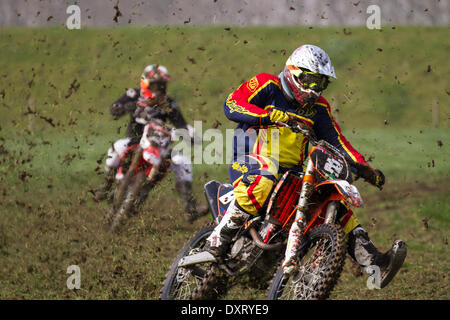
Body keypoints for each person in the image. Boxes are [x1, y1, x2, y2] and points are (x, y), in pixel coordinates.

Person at [205, 45, 407, 288]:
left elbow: (337, 140)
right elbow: (232, 104)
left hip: (290, 172)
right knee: (266, 174)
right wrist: (267, 116)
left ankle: (375, 264)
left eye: (320, 84)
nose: (313, 90)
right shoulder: (268, 85)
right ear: (293, 72)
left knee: (330, 203)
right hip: (249, 161)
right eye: (310, 81)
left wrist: (363, 167)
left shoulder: (318, 109)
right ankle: (221, 235)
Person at [94, 64, 208, 222]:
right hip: (134, 140)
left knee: (183, 162)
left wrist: (190, 133)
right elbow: (114, 109)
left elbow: (180, 124)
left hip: (159, 144)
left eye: (162, 85)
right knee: (117, 147)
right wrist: (123, 107)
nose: (159, 89)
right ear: (145, 83)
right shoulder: (134, 94)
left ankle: (190, 208)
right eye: (155, 84)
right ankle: (105, 186)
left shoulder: (168, 103)